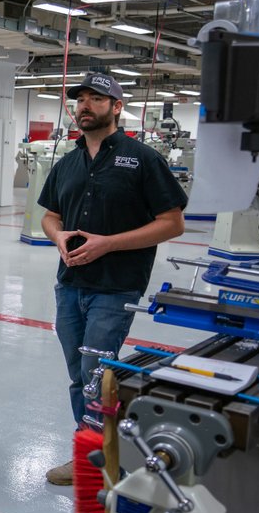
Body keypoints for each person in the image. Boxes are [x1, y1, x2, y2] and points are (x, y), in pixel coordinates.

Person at [38, 72, 187, 485]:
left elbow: (173, 223)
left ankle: (98, 457)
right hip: (69, 284)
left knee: (96, 374)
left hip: (116, 285)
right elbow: (49, 215)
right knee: (78, 373)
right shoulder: (68, 162)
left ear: (116, 107)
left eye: (96, 98)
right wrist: (57, 236)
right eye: (80, 99)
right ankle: (94, 449)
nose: (85, 105)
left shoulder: (143, 160)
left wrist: (109, 243)